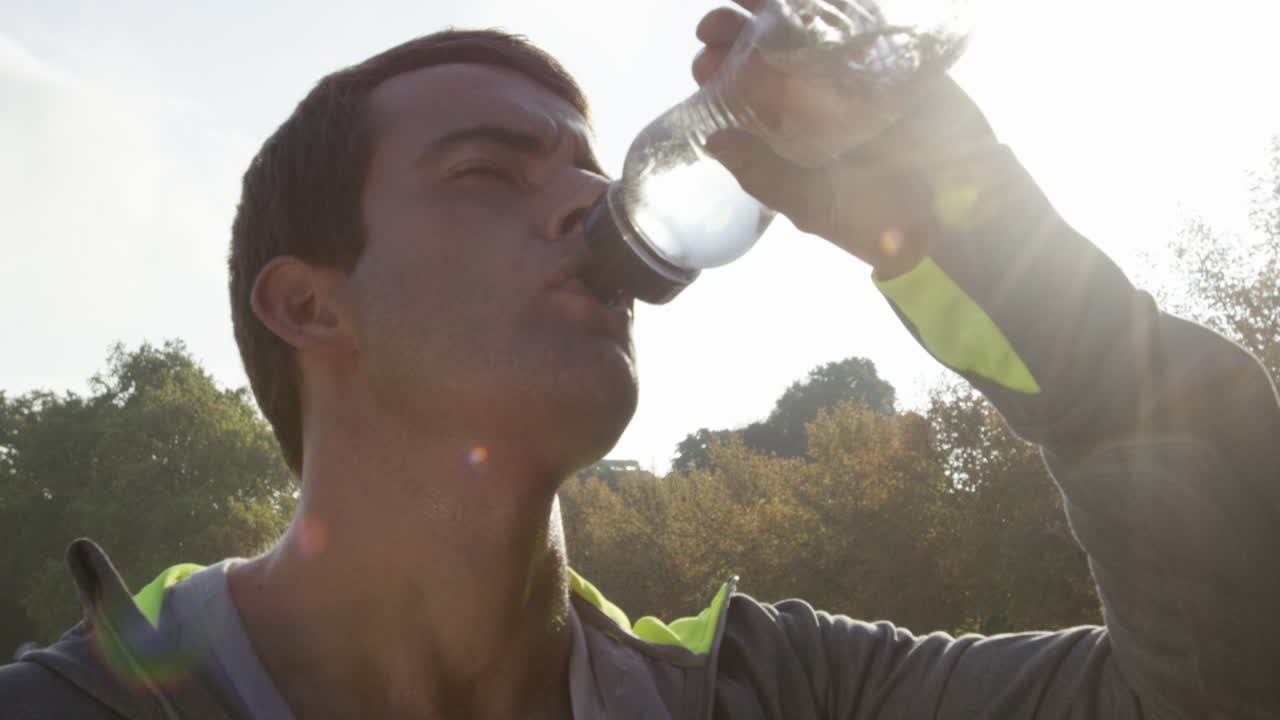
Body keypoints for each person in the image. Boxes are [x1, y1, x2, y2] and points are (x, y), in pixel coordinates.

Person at [2, 2, 1278, 718]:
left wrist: (977, 227)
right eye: (489, 173)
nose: (585, 204)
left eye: (584, 170)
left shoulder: (786, 696)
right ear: (308, 305)